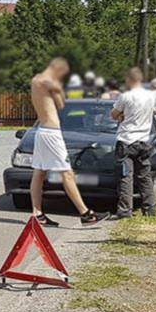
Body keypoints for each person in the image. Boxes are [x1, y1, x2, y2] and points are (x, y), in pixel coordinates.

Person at [30, 58, 110, 227]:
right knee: (67, 173)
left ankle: (37, 213)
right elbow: (60, 105)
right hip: (52, 132)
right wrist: (58, 90)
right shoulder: (51, 83)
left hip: (41, 131)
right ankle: (86, 213)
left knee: (39, 173)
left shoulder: (36, 80)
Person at [111, 68, 156, 218]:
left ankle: (125, 210)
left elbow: (113, 114)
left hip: (126, 141)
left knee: (126, 177)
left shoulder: (126, 96)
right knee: (145, 176)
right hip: (144, 141)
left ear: (129, 80)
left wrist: (122, 116)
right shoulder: (151, 96)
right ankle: (150, 209)